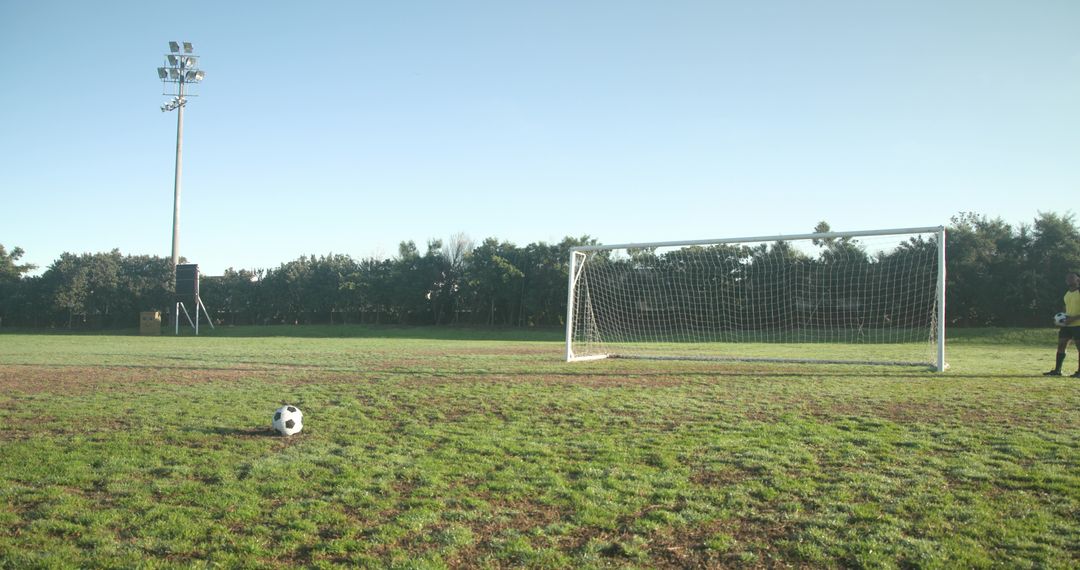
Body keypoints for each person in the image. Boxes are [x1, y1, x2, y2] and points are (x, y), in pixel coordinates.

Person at [1044, 271, 1080, 377]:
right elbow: (1067, 308)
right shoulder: (1067, 293)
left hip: (1078, 325)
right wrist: (1060, 318)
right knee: (1061, 345)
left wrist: (1073, 318)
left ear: (1078, 279)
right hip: (1067, 325)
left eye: (1071, 277)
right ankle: (1057, 370)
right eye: (1067, 278)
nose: (1068, 279)